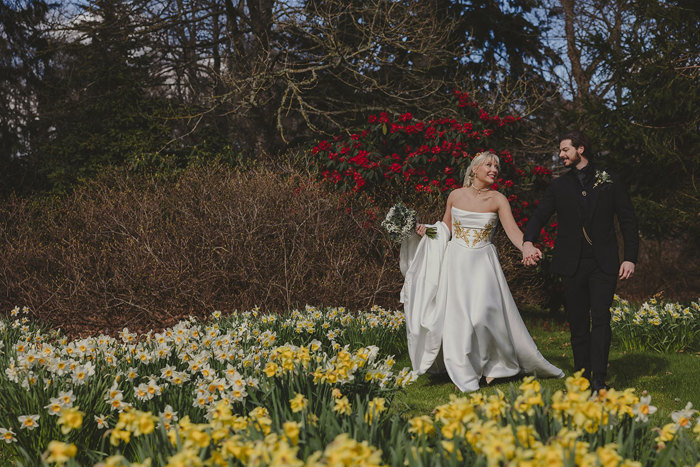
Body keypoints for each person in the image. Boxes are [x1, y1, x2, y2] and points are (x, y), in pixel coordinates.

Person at [403, 151, 563, 392]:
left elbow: (512, 230)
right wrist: (427, 231)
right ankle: (465, 368)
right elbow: (445, 227)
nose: (494, 169)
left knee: (482, 315)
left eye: (496, 166)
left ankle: (497, 366)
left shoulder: (498, 199)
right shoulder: (455, 195)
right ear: (474, 169)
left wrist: (526, 248)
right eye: (488, 165)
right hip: (456, 262)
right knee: (459, 319)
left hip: (483, 263)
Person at [522, 131, 638, 392]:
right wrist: (528, 241)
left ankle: (599, 380)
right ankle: (582, 378)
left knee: (600, 320)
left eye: (565, 150)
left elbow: (629, 222)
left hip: (604, 264)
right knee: (577, 324)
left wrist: (630, 258)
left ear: (580, 149)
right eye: (561, 151)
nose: (560, 155)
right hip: (571, 264)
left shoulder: (610, 181)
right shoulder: (558, 186)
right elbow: (540, 215)